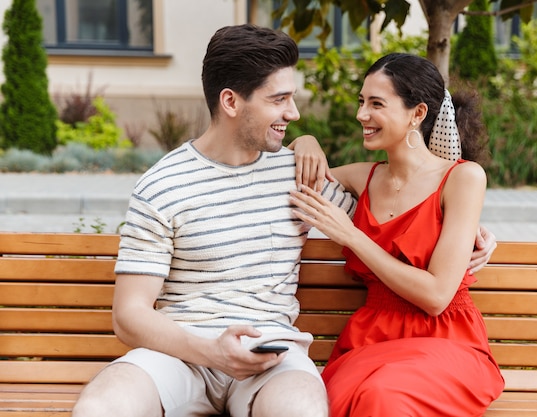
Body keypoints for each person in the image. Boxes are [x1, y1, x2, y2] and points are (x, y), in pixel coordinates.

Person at [72, 25, 496, 417]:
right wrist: (209, 351)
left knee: (303, 408)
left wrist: (475, 235)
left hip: (271, 356)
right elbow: (129, 314)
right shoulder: (162, 185)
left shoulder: (299, 174)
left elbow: (399, 222)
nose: (294, 114)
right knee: (101, 406)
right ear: (231, 101)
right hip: (180, 351)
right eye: (279, 100)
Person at [289, 53, 505, 416]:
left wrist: (354, 237)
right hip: (370, 339)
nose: (361, 114)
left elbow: (436, 296)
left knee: (383, 396)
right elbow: (293, 167)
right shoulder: (363, 177)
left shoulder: (463, 178)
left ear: (417, 114)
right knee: (334, 400)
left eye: (376, 104)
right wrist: (305, 141)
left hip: (446, 340)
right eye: (361, 102)